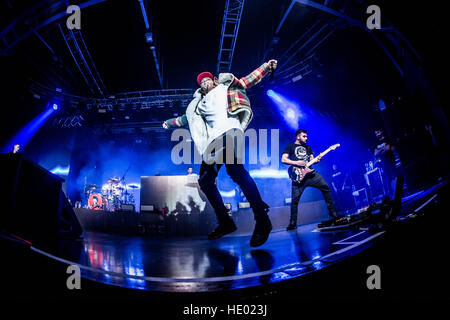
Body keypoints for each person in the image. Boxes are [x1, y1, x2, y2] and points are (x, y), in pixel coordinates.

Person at [162, 60, 277, 247]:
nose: (204, 83)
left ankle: (262, 219)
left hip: (230, 132)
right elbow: (185, 119)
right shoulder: (198, 104)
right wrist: (169, 122)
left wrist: (267, 66)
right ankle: (226, 222)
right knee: (205, 181)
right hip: (213, 143)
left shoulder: (226, 87)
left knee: (236, 172)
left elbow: (248, 80)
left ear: (214, 80)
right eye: (201, 83)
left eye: (207, 80)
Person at [282, 129, 338, 230]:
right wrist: (297, 163)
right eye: (304, 136)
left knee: (325, 187)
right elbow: (283, 159)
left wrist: (317, 159)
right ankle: (292, 223)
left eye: (307, 136)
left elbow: (312, 160)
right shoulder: (290, 146)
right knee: (295, 201)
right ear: (298, 136)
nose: (306, 138)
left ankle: (333, 214)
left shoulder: (308, 147)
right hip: (298, 177)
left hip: (311, 174)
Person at [373, 128, 397, 197]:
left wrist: (380, 150)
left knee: (394, 176)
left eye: (378, 132)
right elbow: (375, 153)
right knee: (387, 178)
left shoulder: (387, 139)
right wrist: (383, 149)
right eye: (376, 133)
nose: (377, 134)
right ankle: (391, 194)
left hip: (391, 160)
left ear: (381, 132)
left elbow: (389, 148)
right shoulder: (376, 143)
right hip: (384, 163)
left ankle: (398, 192)